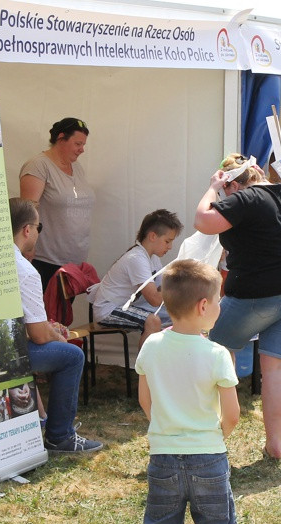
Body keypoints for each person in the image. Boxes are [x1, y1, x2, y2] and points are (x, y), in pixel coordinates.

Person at [194, 154, 281, 460]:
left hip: (262, 290)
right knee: (277, 366)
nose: (225, 197)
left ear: (234, 184)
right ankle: (274, 444)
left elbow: (203, 221)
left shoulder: (246, 196)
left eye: (227, 191)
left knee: (214, 351)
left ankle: (208, 435)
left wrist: (212, 188)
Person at [135, 259, 242, 524]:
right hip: (209, 459)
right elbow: (233, 413)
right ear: (204, 305)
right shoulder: (217, 354)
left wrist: (165, 427)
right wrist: (216, 436)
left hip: (163, 457)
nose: (220, 306)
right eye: (219, 300)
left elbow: (144, 399)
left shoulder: (151, 346)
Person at [9, 198, 103, 454]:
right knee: (71, 355)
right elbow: (39, 335)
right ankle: (59, 437)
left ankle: (45, 424)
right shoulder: (24, 270)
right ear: (27, 230)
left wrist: (49, 330)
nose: (38, 234)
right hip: (7, 355)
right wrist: (58, 337)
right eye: (38, 228)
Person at [19, 117, 93, 291]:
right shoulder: (38, 166)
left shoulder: (77, 168)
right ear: (61, 138)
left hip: (74, 260)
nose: (82, 150)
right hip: (45, 259)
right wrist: (28, 246)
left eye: (83, 145)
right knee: (43, 315)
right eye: (77, 144)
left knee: (62, 316)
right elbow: (28, 210)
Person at [90, 210, 182, 346]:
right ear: (152, 236)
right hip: (108, 310)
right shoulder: (137, 259)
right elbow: (155, 299)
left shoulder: (152, 258)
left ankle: (167, 362)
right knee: (153, 321)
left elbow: (163, 286)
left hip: (125, 306)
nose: (170, 247)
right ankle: (144, 367)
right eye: (167, 241)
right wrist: (175, 284)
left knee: (180, 313)